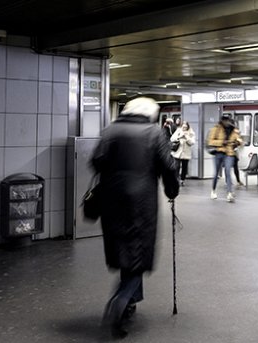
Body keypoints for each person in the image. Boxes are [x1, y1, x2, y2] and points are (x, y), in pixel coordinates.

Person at [91, 97, 179, 338]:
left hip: (111, 199)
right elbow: (168, 166)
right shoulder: (153, 132)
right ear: (149, 114)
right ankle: (119, 302)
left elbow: (96, 161)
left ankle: (131, 301)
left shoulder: (111, 130)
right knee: (138, 250)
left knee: (124, 248)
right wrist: (172, 190)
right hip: (140, 201)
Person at [207, 115, 242, 202]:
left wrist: (238, 142)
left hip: (229, 153)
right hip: (219, 152)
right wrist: (222, 142)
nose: (226, 122)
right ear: (222, 121)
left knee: (228, 172)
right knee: (216, 173)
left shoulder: (234, 129)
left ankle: (229, 193)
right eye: (224, 120)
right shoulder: (216, 129)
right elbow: (210, 141)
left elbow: (239, 140)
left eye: (227, 120)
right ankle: (213, 190)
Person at [170, 121, 195, 186]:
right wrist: (179, 137)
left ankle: (182, 180)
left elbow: (192, 142)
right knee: (176, 167)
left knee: (184, 167)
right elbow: (172, 139)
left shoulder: (191, 132)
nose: (184, 127)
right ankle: (176, 179)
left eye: (185, 126)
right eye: (183, 126)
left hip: (186, 153)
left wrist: (187, 137)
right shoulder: (178, 131)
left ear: (187, 126)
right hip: (178, 153)